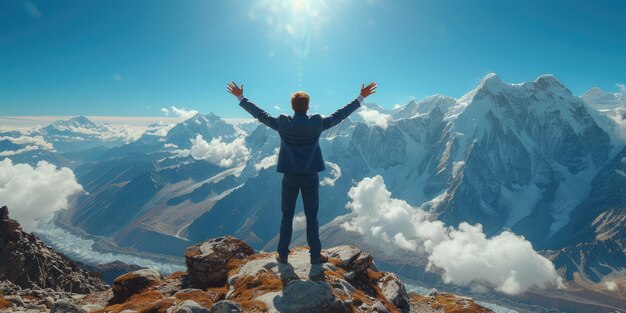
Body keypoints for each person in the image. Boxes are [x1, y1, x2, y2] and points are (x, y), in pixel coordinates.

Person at [227, 81, 378, 264]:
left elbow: (260, 115)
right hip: (310, 175)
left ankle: (282, 254)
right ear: (308, 107)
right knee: (312, 216)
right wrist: (360, 97)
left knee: (287, 215)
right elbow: (340, 115)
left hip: (290, 175)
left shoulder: (283, 123)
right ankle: (315, 255)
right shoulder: (316, 123)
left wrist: (241, 97)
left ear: (292, 107)